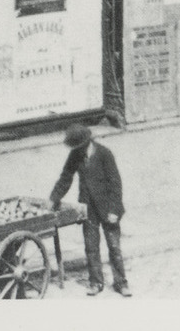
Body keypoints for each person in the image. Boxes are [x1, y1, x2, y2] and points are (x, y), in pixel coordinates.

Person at [50, 124, 128, 296]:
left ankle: (121, 283)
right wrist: (54, 198)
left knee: (114, 247)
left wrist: (114, 210)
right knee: (91, 248)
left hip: (108, 208)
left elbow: (115, 183)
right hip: (88, 208)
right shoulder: (75, 155)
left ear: (87, 142)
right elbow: (65, 178)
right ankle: (96, 282)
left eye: (79, 147)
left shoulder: (104, 154)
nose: (77, 150)